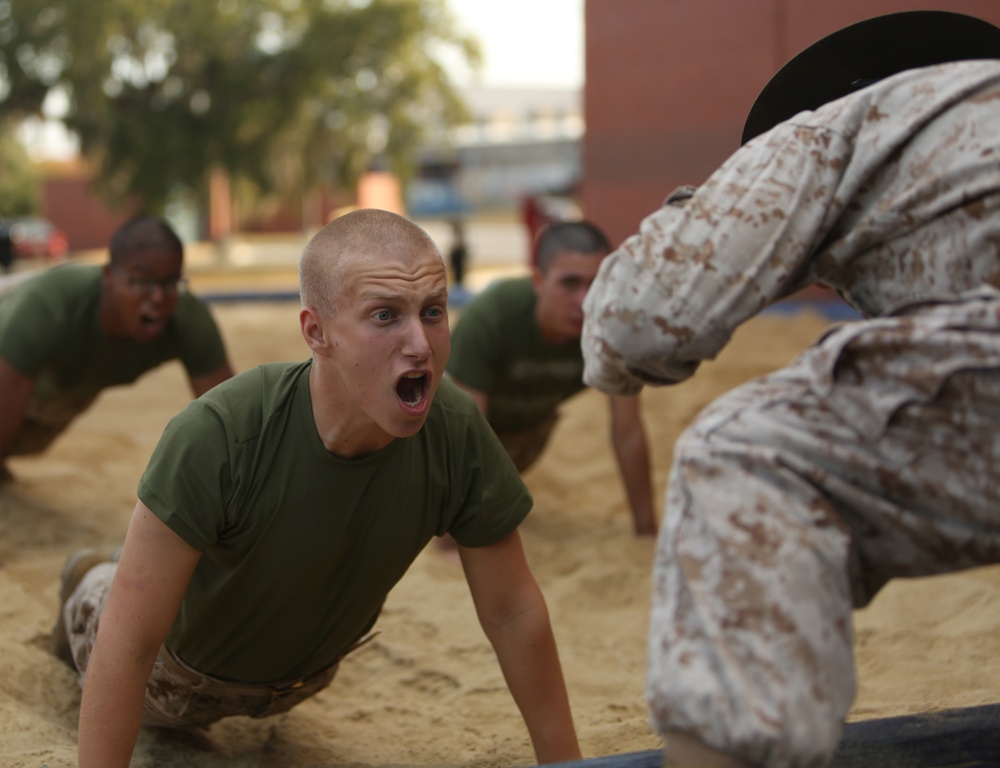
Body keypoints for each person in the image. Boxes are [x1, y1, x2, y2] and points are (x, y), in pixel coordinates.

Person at [579, 11, 1000, 768]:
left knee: (741, 455)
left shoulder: (832, 127)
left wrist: (704, 213)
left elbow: (634, 325)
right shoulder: (971, 112)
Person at [54, 208, 581, 767]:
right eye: (385, 316)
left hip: (300, 679)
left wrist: (567, 764)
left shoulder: (455, 431)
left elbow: (514, 611)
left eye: (433, 312)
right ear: (316, 332)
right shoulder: (222, 434)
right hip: (175, 680)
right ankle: (89, 574)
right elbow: (126, 646)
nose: (421, 344)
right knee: (108, 604)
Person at [446, 219, 657, 537]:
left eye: (597, 284)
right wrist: (454, 537)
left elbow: (627, 432)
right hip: (449, 438)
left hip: (526, 434)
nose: (585, 301)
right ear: (538, 281)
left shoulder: (613, 331)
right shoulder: (492, 316)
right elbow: (463, 434)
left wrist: (647, 531)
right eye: (569, 284)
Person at [0, 215, 234, 484]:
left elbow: (230, 428)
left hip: (54, 394)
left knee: (28, 441)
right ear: (109, 277)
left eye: (171, 282)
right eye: (141, 281)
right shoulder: (46, 310)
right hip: (10, 337)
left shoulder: (188, 320)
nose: (158, 297)